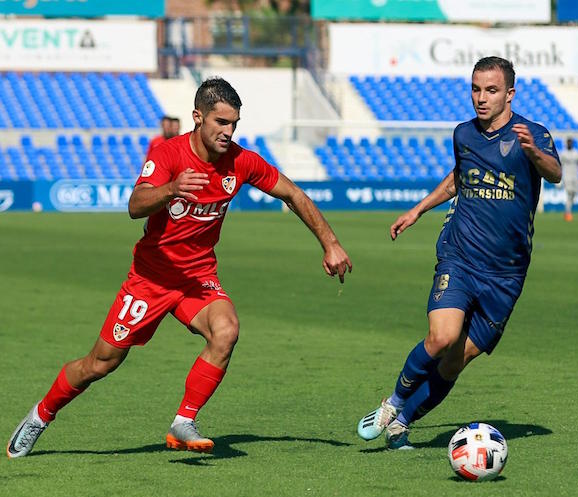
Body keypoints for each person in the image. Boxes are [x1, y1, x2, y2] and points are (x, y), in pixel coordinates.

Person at [7, 78, 353, 458]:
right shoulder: (170, 155)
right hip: (150, 279)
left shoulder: (241, 161)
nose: (228, 131)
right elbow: (135, 204)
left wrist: (330, 243)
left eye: (234, 123)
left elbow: (293, 193)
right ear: (197, 117)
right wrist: (171, 188)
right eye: (220, 122)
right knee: (100, 363)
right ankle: (40, 415)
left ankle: (183, 420)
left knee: (226, 330)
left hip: (197, 278)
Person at [356, 57, 561, 449]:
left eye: (491, 90)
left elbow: (554, 173)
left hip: (507, 273)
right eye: (475, 89)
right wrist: (418, 209)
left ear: (510, 94)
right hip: (461, 256)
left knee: (455, 361)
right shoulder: (463, 134)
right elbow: (459, 176)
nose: (481, 98)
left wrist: (533, 153)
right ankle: (392, 403)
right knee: (442, 336)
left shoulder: (533, 134)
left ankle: (402, 423)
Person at [559, 137, 578, 221]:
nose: (569, 144)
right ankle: (568, 213)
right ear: (566, 143)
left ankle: (568, 210)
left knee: (574, 193)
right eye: (568, 142)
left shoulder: (576, 153)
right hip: (567, 176)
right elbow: (560, 165)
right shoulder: (563, 153)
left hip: (575, 177)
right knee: (569, 193)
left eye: (571, 142)